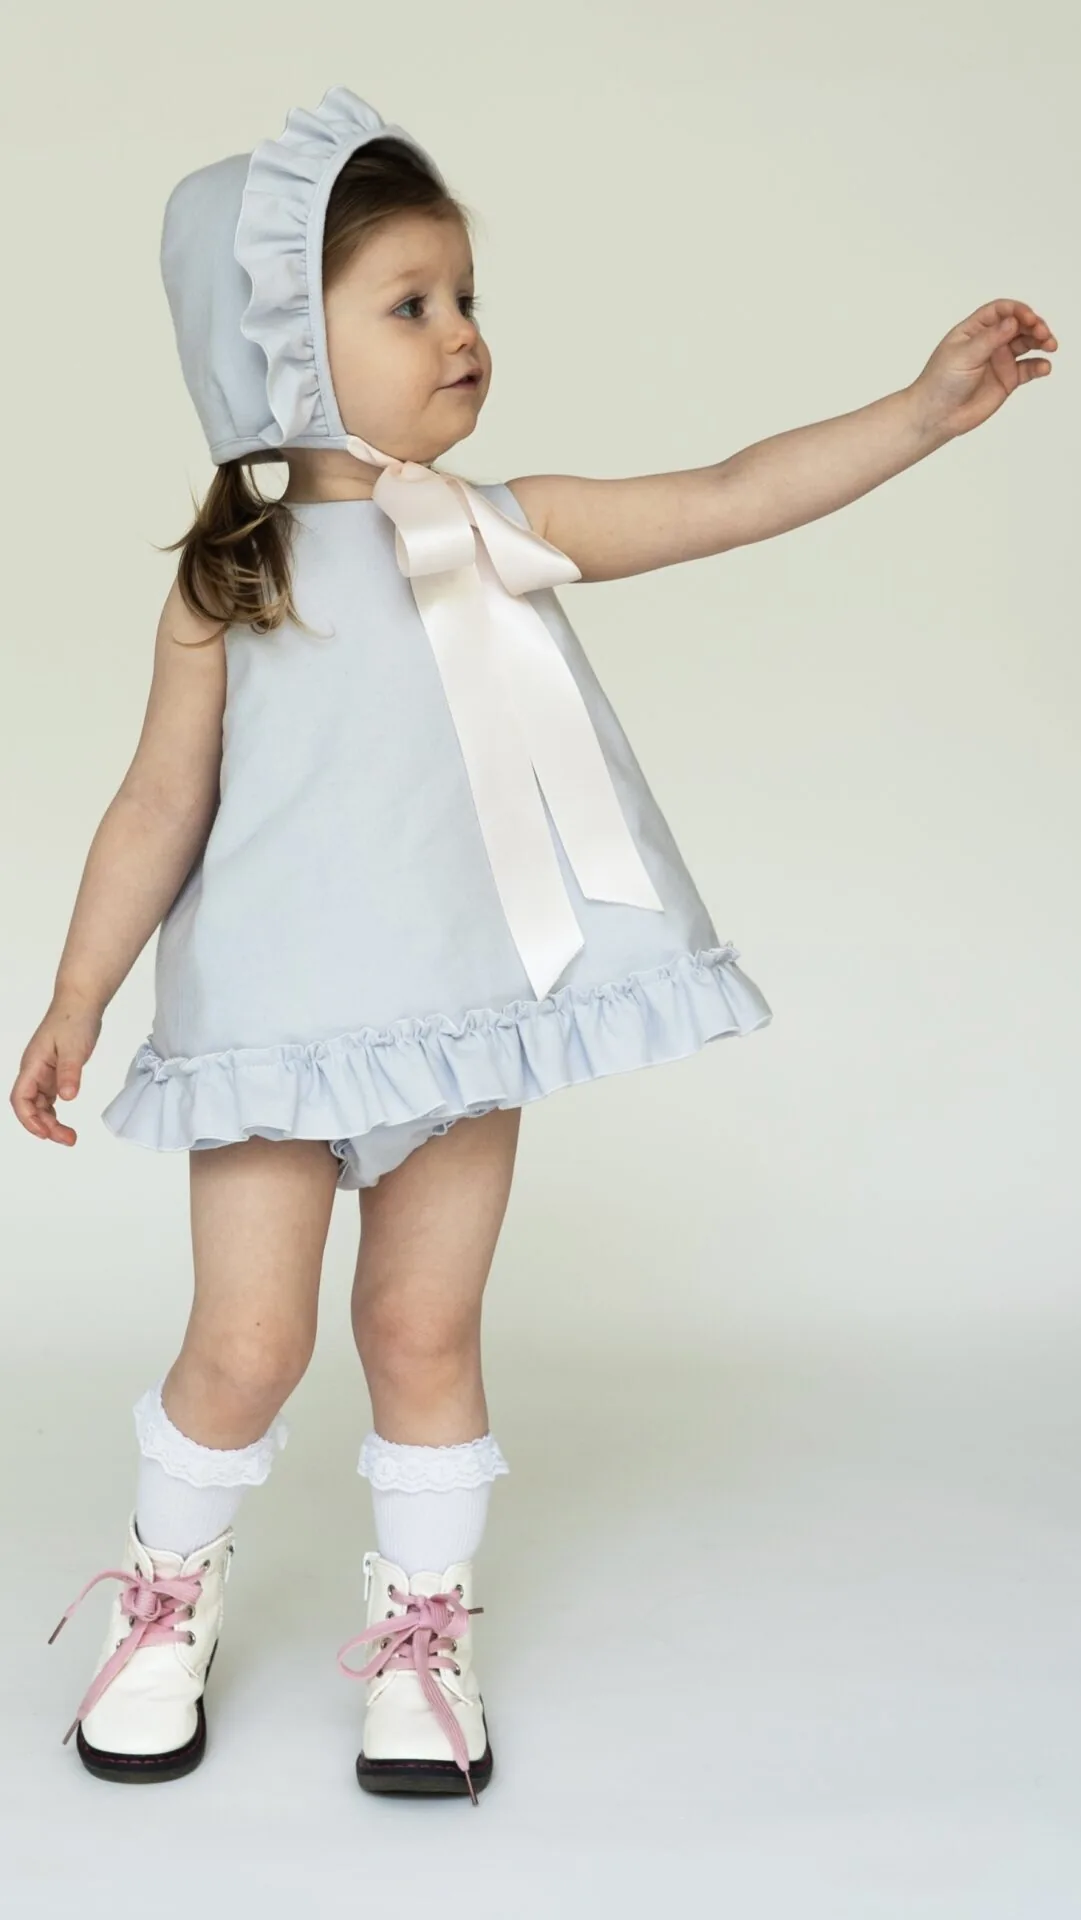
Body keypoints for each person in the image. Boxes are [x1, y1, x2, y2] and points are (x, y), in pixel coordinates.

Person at [10, 85, 1055, 1805]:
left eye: (467, 296)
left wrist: (921, 414)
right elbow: (155, 804)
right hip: (270, 1037)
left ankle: (423, 1639)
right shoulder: (232, 579)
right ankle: (164, 1601)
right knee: (248, 1346)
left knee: (423, 1332)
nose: (461, 334)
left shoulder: (498, 524)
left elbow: (728, 493)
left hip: (461, 1024)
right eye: (409, 303)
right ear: (283, 344)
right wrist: (76, 994)